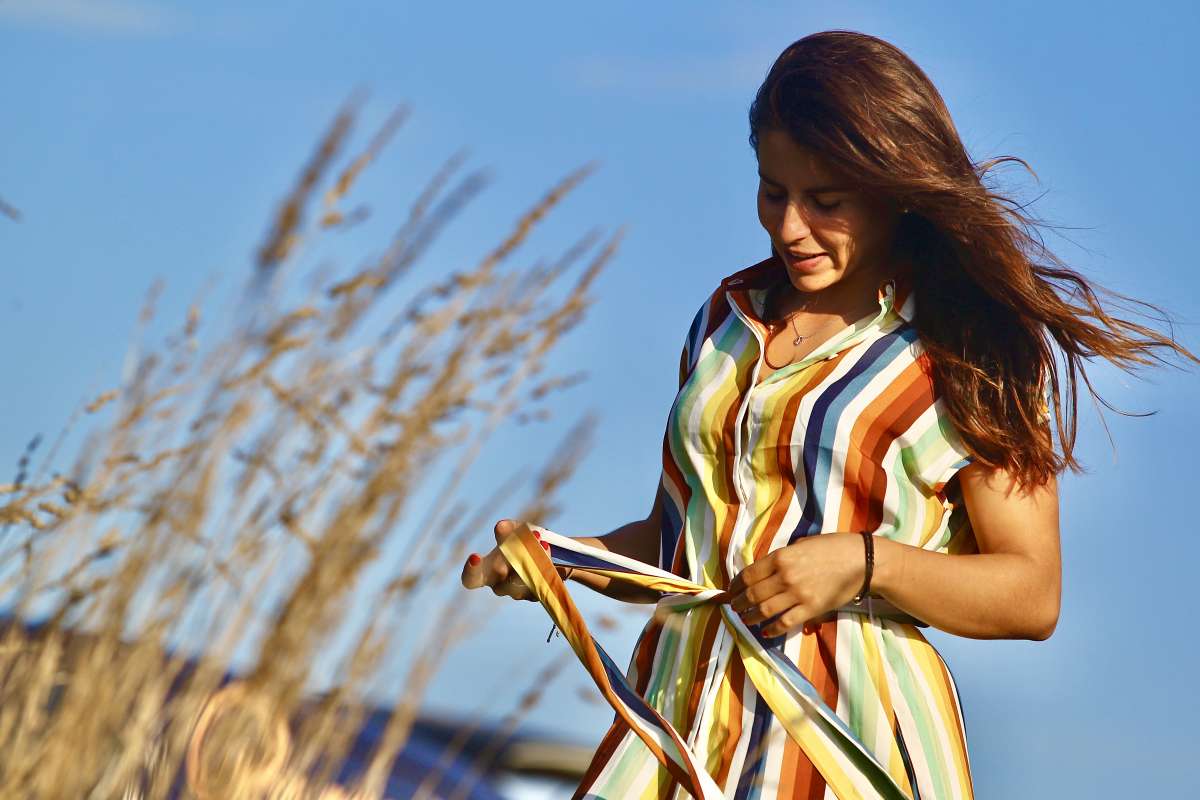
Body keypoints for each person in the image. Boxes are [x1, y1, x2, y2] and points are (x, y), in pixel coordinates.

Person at [461, 30, 1196, 799]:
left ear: (893, 188)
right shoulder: (723, 317)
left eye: (826, 202)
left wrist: (860, 564)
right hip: (678, 725)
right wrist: (562, 561)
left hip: (844, 738)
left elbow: (1031, 592)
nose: (789, 227)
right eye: (773, 191)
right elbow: (680, 545)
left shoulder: (972, 343)